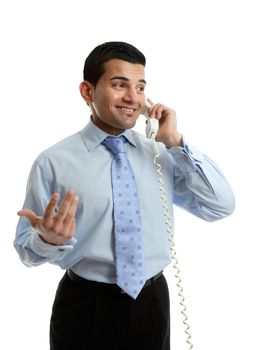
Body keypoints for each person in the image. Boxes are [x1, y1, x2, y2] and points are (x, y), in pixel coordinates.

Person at [14, 41, 235, 350]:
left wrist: (174, 141)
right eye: (120, 85)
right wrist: (47, 241)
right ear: (87, 92)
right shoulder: (53, 162)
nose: (133, 98)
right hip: (84, 306)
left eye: (140, 87)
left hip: (152, 302)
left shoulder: (161, 152)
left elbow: (220, 205)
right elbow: (26, 251)